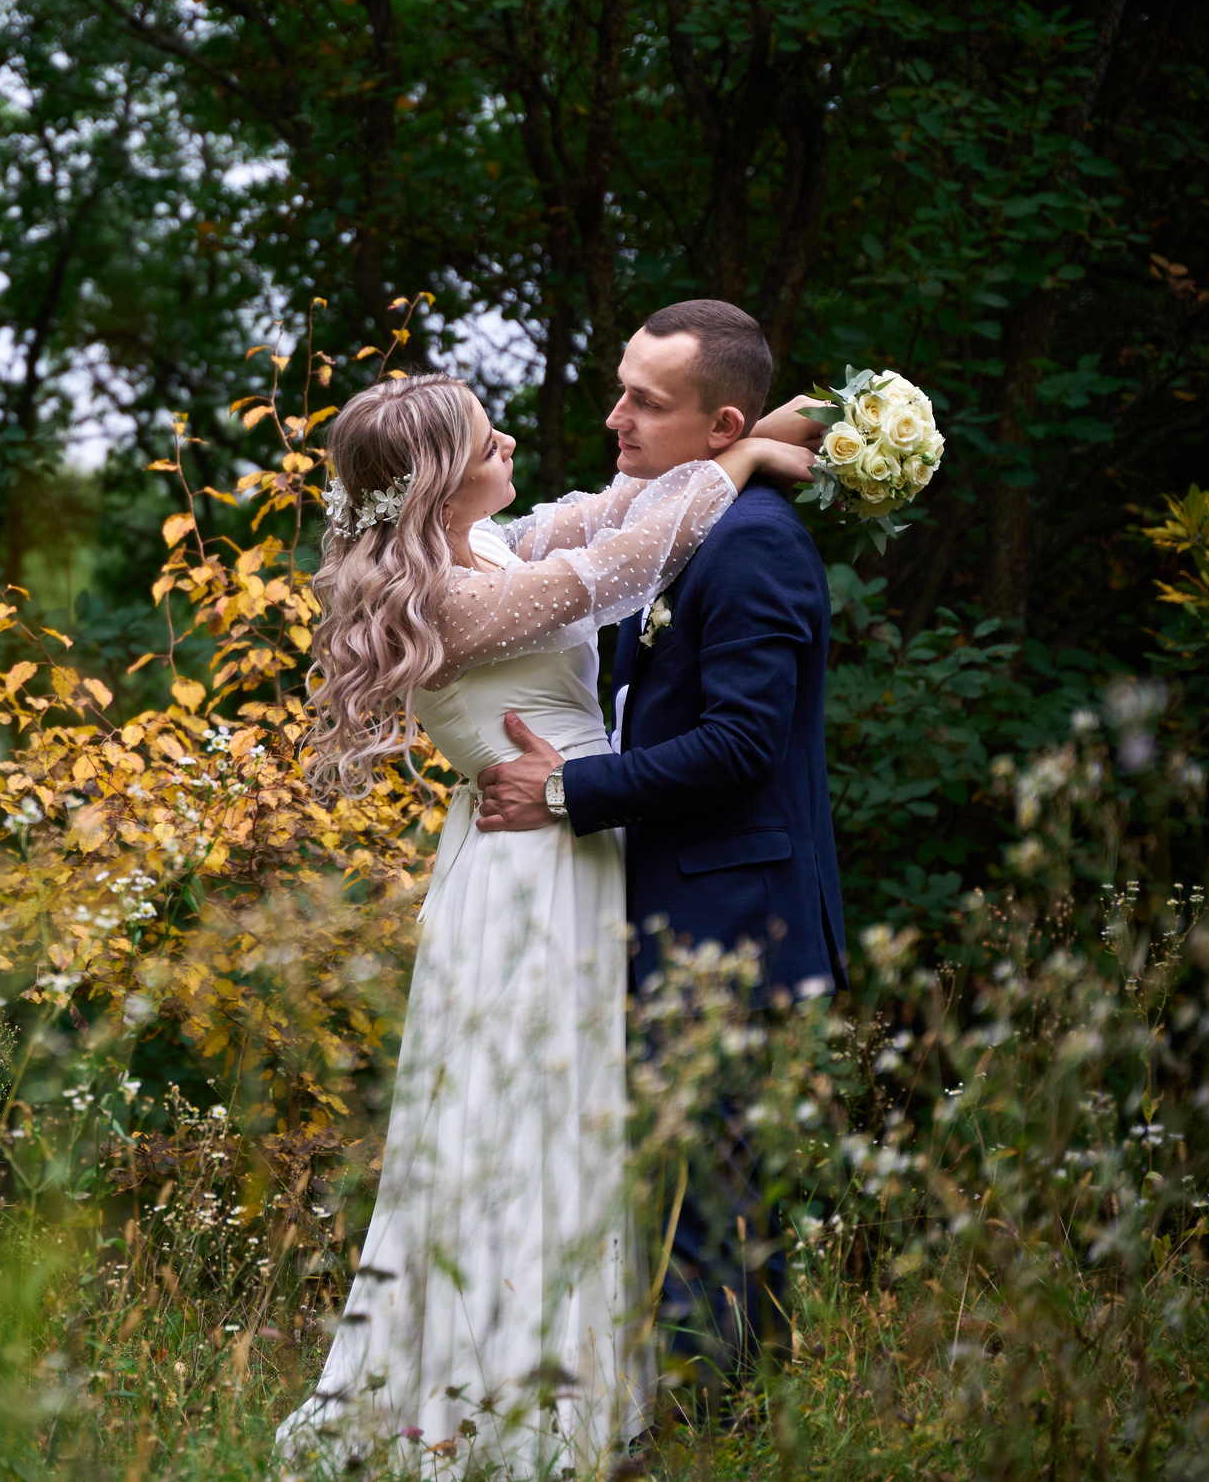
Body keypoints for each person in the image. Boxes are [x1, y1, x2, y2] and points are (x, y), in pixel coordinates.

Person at [274, 352, 816, 1478]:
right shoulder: (450, 595)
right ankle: (511, 1411)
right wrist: (748, 457)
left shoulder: (487, 546)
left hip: (569, 842)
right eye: (488, 440)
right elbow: (620, 561)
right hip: (533, 865)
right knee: (526, 1122)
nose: (511, 444)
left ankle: (584, 1384)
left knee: (579, 1117)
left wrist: (746, 435)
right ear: (439, 480)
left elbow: (614, 509)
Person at [475, 298, 847, 1426]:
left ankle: (713, 1434)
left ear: (720, 422)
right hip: (684, 915)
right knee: (689, 1199)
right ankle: (697, 1421)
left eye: (645, 400)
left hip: (737, 924)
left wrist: (568, 790)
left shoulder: (755, 542)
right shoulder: (690, 519)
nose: (616, 416)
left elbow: (741, 745)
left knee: (715, 1210)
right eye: (620, 388)